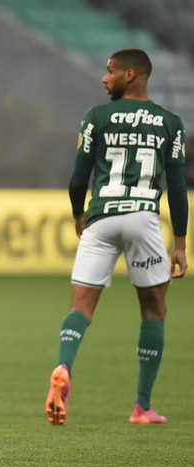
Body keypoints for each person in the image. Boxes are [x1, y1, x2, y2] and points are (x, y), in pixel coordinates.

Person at [45, 48, 188, 426]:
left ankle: (63, 367)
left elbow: (78, 178)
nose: (104, 78)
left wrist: (78, 213)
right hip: (143, 218)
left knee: (80, 309)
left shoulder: (96, 117)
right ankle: (142, 406)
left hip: (102, 218)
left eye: (110, 71)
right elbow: (176, 188)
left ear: (130, 75)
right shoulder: (170, 122)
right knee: (154, 310)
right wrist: (180, 243)